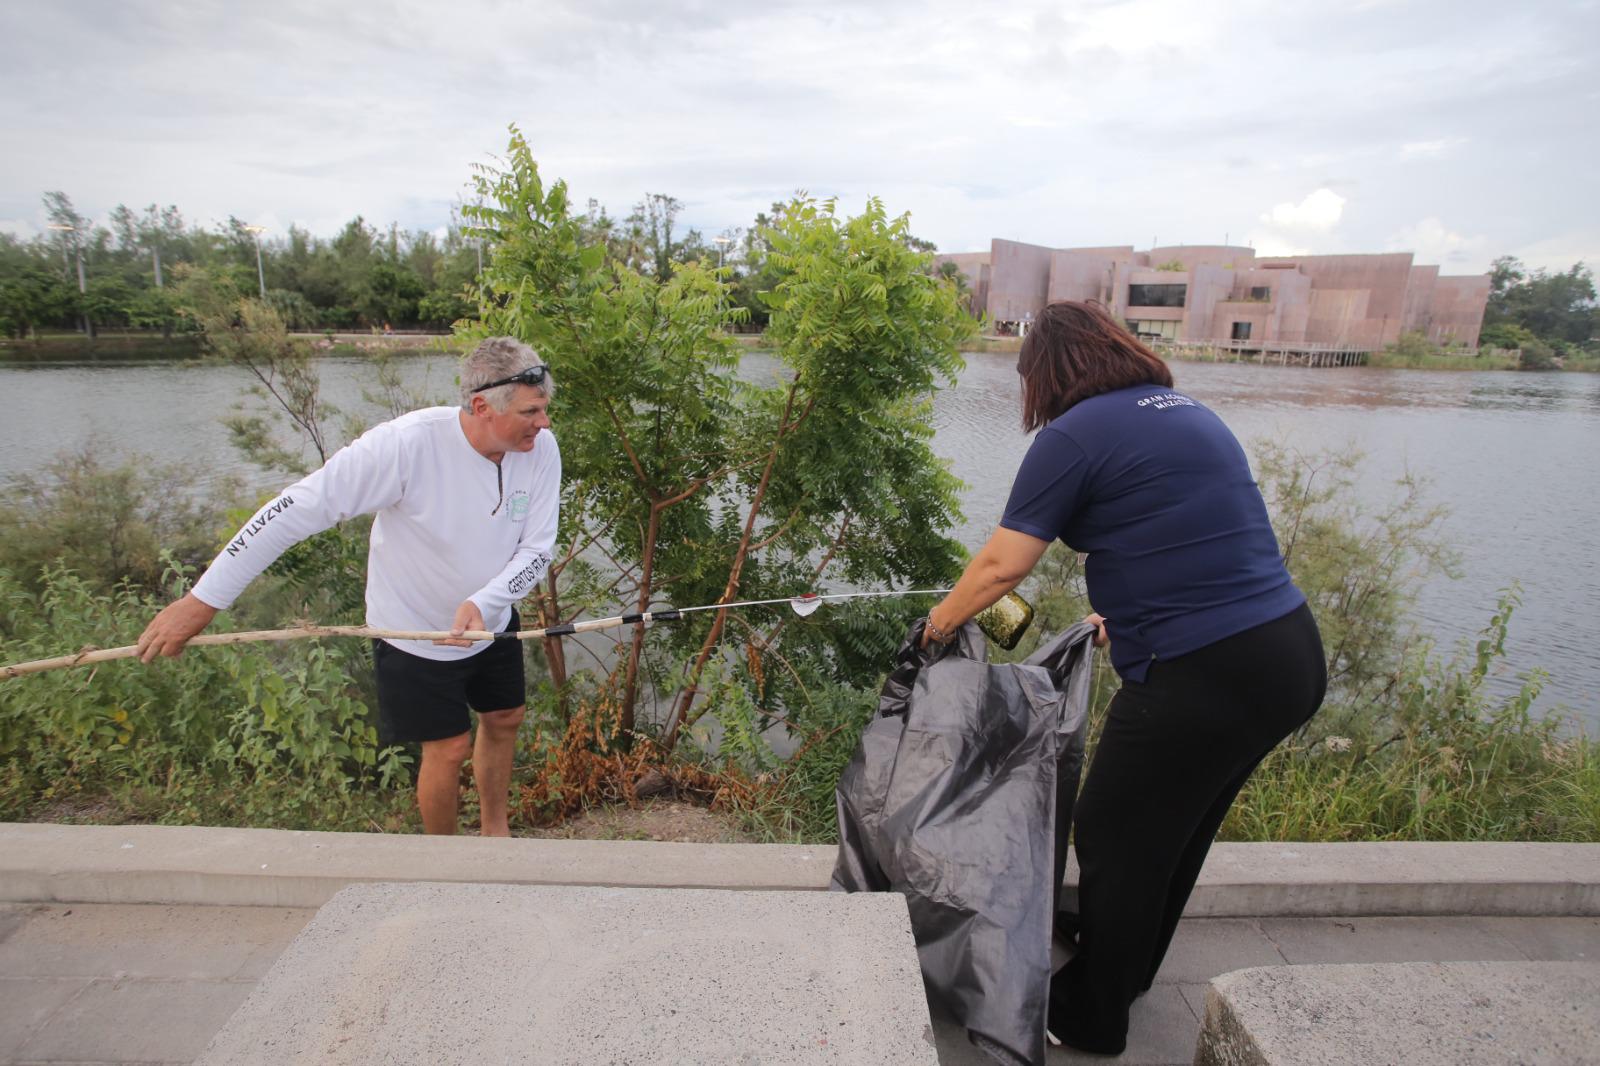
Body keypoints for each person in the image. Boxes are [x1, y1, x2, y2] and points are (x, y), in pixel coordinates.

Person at [921, 301, 1325, 1054]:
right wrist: (1127, 614)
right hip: (1286, 653)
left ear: (1049, 372)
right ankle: (1127, 962)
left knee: (1113, 829)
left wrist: (936, 625)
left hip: (1209, 671)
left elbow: (1002, 565)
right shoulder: (1186, 412)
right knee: (1175, 831)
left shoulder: (1074, 434)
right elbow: (1194, 533)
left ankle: (1093, 1016)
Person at [137, 337, 561, 837]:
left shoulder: (539, 451)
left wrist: (484, 602)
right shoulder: (405, 446)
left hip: (491, 621)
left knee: (506, 716)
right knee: (447, 748)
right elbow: (293, 509)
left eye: (545, 409)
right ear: (482, 406)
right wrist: (202, 600)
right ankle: (448, 862)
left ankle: (495, 833)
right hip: (414, 630)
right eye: (532, 411)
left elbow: (537, 550)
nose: (545, 422)